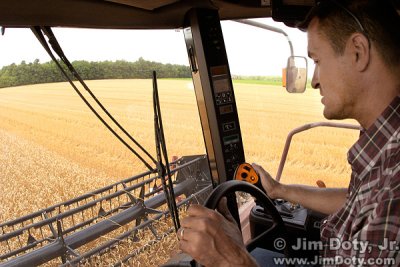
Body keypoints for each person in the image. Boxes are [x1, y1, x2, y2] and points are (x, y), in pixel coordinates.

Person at [177, 0, 400, 266]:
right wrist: (279, 189)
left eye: (317, 60)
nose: (315, 79)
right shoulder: (384, 144)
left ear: (358, 52)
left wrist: (233, 260)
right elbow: (355, 198)